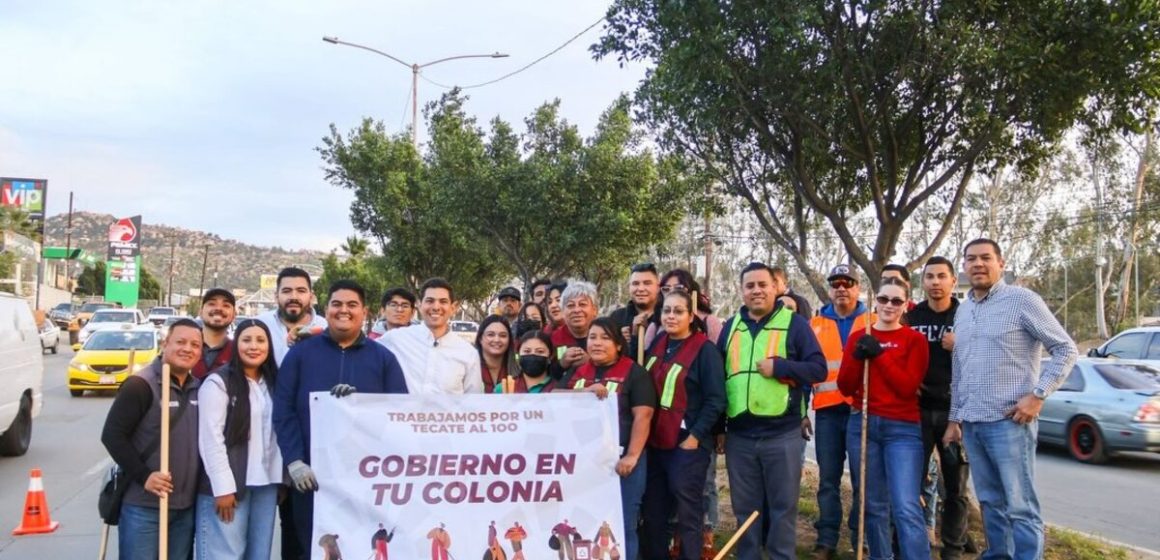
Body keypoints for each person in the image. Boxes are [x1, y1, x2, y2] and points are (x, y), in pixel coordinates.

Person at [943, 239, 1077, 560]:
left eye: (985, 258)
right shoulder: (964, 310)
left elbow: (1065, 349)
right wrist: (954, 418)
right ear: (964, 266)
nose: (977, 264)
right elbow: (959, 368)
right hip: (973, 423)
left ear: (1000, 263)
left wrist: (1038, 395)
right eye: (971, 258)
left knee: (1020, 504)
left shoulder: (1022, 301)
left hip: (1009, 423)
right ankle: (999, 555)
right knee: (990, 501)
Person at [273, 279, 409, 555]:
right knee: (307, 548)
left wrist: (362, 407)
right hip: (310, 479)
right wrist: (295, 460)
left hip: (364, 480)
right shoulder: (300, 354)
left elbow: (400, 414)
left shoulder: (384, 359)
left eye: (352, 305)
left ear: (365, 312)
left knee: (359, 549)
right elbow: (283, 410)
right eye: (336, 304)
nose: (343, 310)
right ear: (326, 309)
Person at [720, 262, 827, 560]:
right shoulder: (731, 328)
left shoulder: (795, 325)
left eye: (762, 285)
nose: (756, 290)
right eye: (749, 285)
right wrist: (719, 428)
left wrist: (780, 366)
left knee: (783, 509)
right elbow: (719, 378)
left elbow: (818, 368)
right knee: (745, 510)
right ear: (742, 290)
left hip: (782, 434)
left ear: (775, 288)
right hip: (740, 436)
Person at [837, 276, 931, 560]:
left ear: (905, 305)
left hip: (902, 428)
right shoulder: (859, 335)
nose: (889, 305)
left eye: (896, 301)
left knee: (904, 505)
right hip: (863, 423)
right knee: (873, 505)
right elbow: (845, 386)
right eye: (883, 299)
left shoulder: (915, 340)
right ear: (875, 301)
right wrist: (857, 356)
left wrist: (879, 355)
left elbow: (906, 388)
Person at [100, 318, 204, 560]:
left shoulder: (198, 388)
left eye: (195, 345)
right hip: (143, 507)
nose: (187, 349)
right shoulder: (141, 385)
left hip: (185, 507)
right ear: (165, 343)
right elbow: (112, 435)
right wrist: (144, 475)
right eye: (180, 342)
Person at [640, 289, 726, 560]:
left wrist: (695, 438)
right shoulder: (658, 344)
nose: (671, 316)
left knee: (688, 516)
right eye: (666, 310)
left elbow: (716, 399)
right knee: (654, 515)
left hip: (686, 444)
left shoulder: (704, 350)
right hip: (655, 443)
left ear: (691, 316)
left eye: (678, 311)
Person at [567, 317, 657, 560]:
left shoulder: (635, 373)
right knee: (586, 523)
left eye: (605, 338)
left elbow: (643, 416)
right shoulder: (578, 373)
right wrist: (583, 393)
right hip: (584, 464)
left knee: (622, 522)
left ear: (618, 344)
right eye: (592, 337)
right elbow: (554, 399)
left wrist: (632, 456)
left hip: (622, 463)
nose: (597, 343)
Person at [196, 319, 282, 559]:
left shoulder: (274, 382)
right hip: (230, 486)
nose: (253, 346)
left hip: (265, 485)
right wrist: (222, 488)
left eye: (260, 340)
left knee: (258, 554)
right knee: (224, 554)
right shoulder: (218, 382)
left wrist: (281, 478)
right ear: (236, 344)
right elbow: (210, 439)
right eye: (246, 340)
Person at [907, 255, 971, 558]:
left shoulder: (966, 315)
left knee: (955, 486)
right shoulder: (913, 317)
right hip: (917, 410)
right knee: (913, 481)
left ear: (952, 281)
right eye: (929, 277)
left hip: (954, 411)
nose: (935, 282)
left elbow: (984, 357)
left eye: (941, 276)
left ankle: (954, 548)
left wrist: (961, 344)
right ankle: (912, 543)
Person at [806, 264, 872, 559]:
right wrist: (800, 413)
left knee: (863, 480)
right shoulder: (815, 324)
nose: (841, 288)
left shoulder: (872, 321)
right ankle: (827, 539)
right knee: (828, 480)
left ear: (858, 288)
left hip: (863, 412)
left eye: (848, 283)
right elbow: (806, 371)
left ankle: (862, 538)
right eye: (836, 284)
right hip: (829, 412)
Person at [380, 278, 485, 395]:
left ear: (453, 307)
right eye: (430, 301)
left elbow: (473, 401)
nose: (436, 307)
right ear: (419, 305)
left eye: (443, 301)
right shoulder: (395, 339)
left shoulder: (468, 353)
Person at [257, 267, 328, 367]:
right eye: (286, 291)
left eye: (301, 291)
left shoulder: (325, 328)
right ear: (276, 297)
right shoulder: (260, 325)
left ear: (311, 297)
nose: (294, 297)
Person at [642, 268, 724, 348]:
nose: (672, 292)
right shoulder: (655, 326)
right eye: (666, 289)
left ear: (691, 291)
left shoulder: (709, 322)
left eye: (679, 288)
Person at [550, 281, 598, 379]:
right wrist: (561, 364)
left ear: (594, 310)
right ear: (563, 311)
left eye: (582, 304)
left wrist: (591, 362)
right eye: (571, 305)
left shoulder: (607, 337)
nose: (576, 310)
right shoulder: (552, 339)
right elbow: (546, 375)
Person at [610, 262, 661, 344]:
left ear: (658, 287)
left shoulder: (667, 318)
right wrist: (619, 342)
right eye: (635, 283)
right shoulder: (617, 318)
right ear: (629, 287)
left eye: (647, 283)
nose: (640, 288)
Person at [193, 288, 236, 379]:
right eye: (212, 304)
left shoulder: (239, 352)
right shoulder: (182, 348)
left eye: (226, 305)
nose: (218, 308)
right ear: (200, 312)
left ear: (234, 315)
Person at [475, 315, 519, 393]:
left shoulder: (519, 371)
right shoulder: (469, 368)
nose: (497, 340)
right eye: (490, 335)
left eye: (503, 336)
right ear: (480, 339)